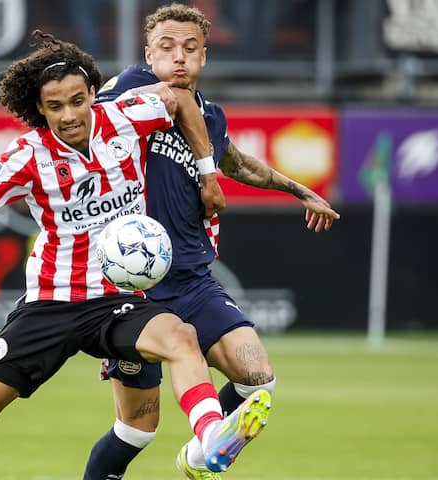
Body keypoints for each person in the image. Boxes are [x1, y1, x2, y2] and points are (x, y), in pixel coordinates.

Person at [0, 31, 271, 480]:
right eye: (55, 106)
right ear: (40, 109)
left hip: (117, 301)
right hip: (52, 302)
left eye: (77, 101)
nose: (69, 115)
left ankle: (208, 437)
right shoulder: (27, 156)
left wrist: (208, 173)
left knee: (181, 337)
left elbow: (180, 99)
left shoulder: (127, 116)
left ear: (93, 92)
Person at [85, 4, 341, 480]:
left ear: (205, 56)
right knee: (136, 430)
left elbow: (239, 164)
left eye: (190, 48)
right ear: (148, 54)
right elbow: (103, 114)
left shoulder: (212, 117)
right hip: (131, 286)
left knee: (257, 378)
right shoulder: (131, 88)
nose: (179, 57)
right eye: (166, 47)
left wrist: (299, 190)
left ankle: (200, 455)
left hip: (190, 279)